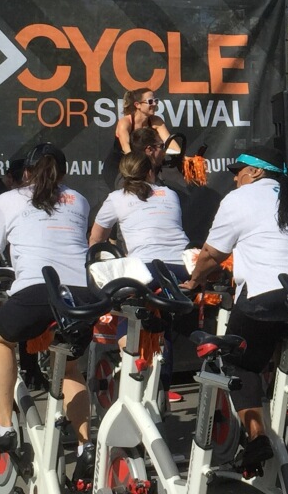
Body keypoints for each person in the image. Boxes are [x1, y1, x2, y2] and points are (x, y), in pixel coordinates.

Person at [182, 145, 288, 469]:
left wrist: (193, 282)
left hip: (269, 296)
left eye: (238, 173)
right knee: (270, 340)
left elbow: (210, 255)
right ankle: (282, 392)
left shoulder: (240, 199)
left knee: (239, 362)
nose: (235, 180)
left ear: (256, 172)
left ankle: (257, 437)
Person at [0, 143, 95, 485]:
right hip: (78, 295)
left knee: (1, 341)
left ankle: (5, 427)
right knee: (70, 364)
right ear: (64, 172)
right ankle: (86, 444)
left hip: (37, 291)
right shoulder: (80, 201)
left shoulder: (8, 200)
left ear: (24, 172)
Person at [89, 151, 191, 401]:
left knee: (129, 311)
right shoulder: (170, 194)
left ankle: (131, 361)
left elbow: (96, 240)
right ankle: (162, 390)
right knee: (162, 323)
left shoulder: (116, 197)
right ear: (149, 171)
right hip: (181, 268)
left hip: (145, 269)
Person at [115, 88, 179, 155]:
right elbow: (126, 149)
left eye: (155, 101)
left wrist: (182, 157)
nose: (154, 104)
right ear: (137, 105)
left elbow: (170, 143)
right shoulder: (125, 122)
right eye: (150, 101)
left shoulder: (156, 121)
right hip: (121, 162)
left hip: (141, 161)